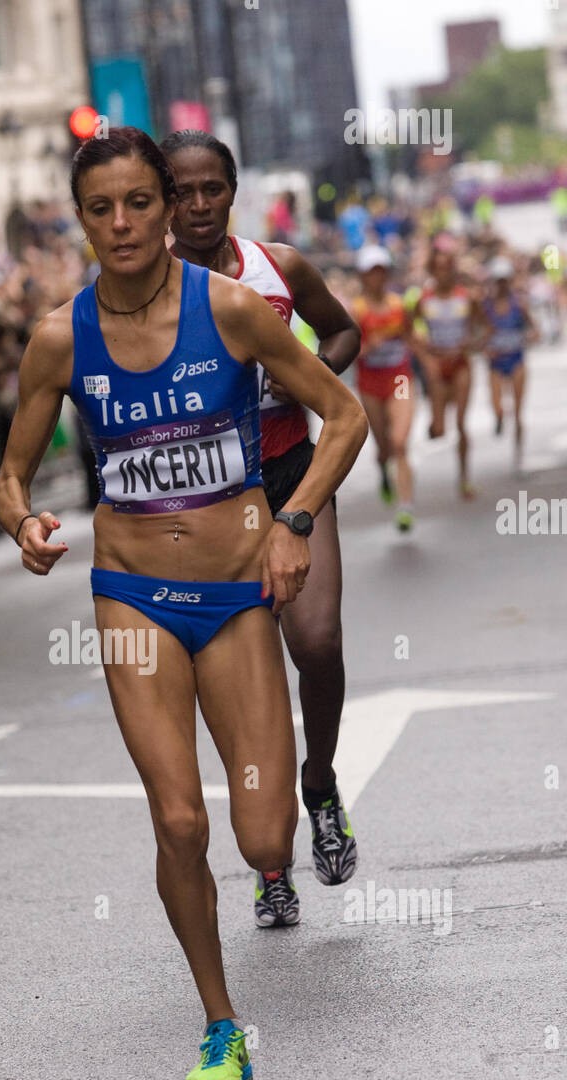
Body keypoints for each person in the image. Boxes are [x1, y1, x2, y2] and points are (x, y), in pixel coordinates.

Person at [0, 128, 367, 1080]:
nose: (122, 224)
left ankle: (289, 837)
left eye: (139, 204)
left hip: (238, 591)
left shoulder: (236, 311)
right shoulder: (56, 338)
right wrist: (25, 524)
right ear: (78, 220)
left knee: (263, 839)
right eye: (100, 208)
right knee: (176, 818)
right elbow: (8, 474)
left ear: (170, 208)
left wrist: (293, 521)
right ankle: (218, 1020)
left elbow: (346, 415)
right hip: (130, 595)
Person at [161, 129, 362, 925]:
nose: (199, 204)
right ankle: (271, 863)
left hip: (292, 478)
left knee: (316, 646)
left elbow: (342, 328)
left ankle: (319, 783)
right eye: (182, 190)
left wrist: (306, 371)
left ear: (233, 191)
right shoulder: (151, 292)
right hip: (212, 504)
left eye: (213, 188)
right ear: (164, 200)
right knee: (247, 690)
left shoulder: (279, 267)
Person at [352, 244, 417, 530]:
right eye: (371, 272)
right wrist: (368, 347)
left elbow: (411, 338)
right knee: (383, 448)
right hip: (370, 384)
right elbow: (350, 352)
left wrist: (435, 358)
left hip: (399, 379)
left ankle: (405, 507)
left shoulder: (399, 306)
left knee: (400, 442)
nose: (377, 277)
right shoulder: (356, 311)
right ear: (362, 276)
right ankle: (383, 470)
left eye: (381, 271)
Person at [415, 245, 482, 498]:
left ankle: (464, 479)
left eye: (447, 268)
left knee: (462, 423)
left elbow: (483, 328)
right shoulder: (424, 299)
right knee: (440, 430)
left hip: (460, 363)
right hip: (437, 364)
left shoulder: (466, 297)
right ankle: (433, 424)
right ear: (432, 271)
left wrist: (471, 343)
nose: (443, 273)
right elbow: (409, 332)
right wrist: (425, 355)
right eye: (438, 268)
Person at [479, 255, 538, 464]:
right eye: (498, 280)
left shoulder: (518, 305)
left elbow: (536, 332)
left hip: (516, 359)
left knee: (519, 411)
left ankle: (519, 454)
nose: (501, 285)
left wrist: (525, 338)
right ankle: (499, 418)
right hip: (496, 363)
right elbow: (479, 338)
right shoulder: (485, 308)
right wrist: (486, 347)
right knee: (497, 406)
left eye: (505, 280)